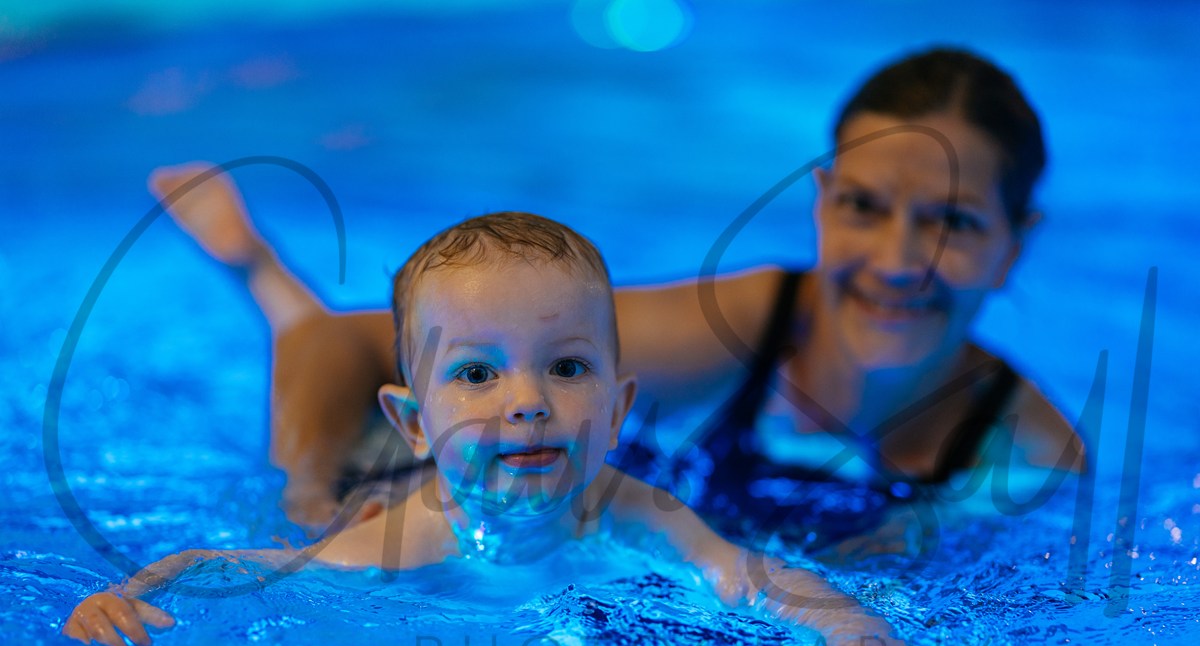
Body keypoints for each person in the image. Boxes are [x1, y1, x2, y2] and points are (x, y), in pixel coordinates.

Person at [147, 46, 1084, 551]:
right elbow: (348, 349)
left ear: (1017, 244)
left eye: (953, 223)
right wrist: (308, 500)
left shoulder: (1029, 455)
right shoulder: (748, 325)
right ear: (822, 203)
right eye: (865, 209)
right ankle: (263, 276)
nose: (898, 262)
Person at [61, 212, 916, 646]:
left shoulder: (631, 507)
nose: (528, 402)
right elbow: (234, 563)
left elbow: (745, 573)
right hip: (369, 481)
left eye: (568, 368)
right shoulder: (396, 545)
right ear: (417, 423)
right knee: (302, 484)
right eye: (478, 374)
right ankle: (257, 266)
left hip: (448, 455)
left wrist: (845, 620)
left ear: (619, 408)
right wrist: (129, 593)